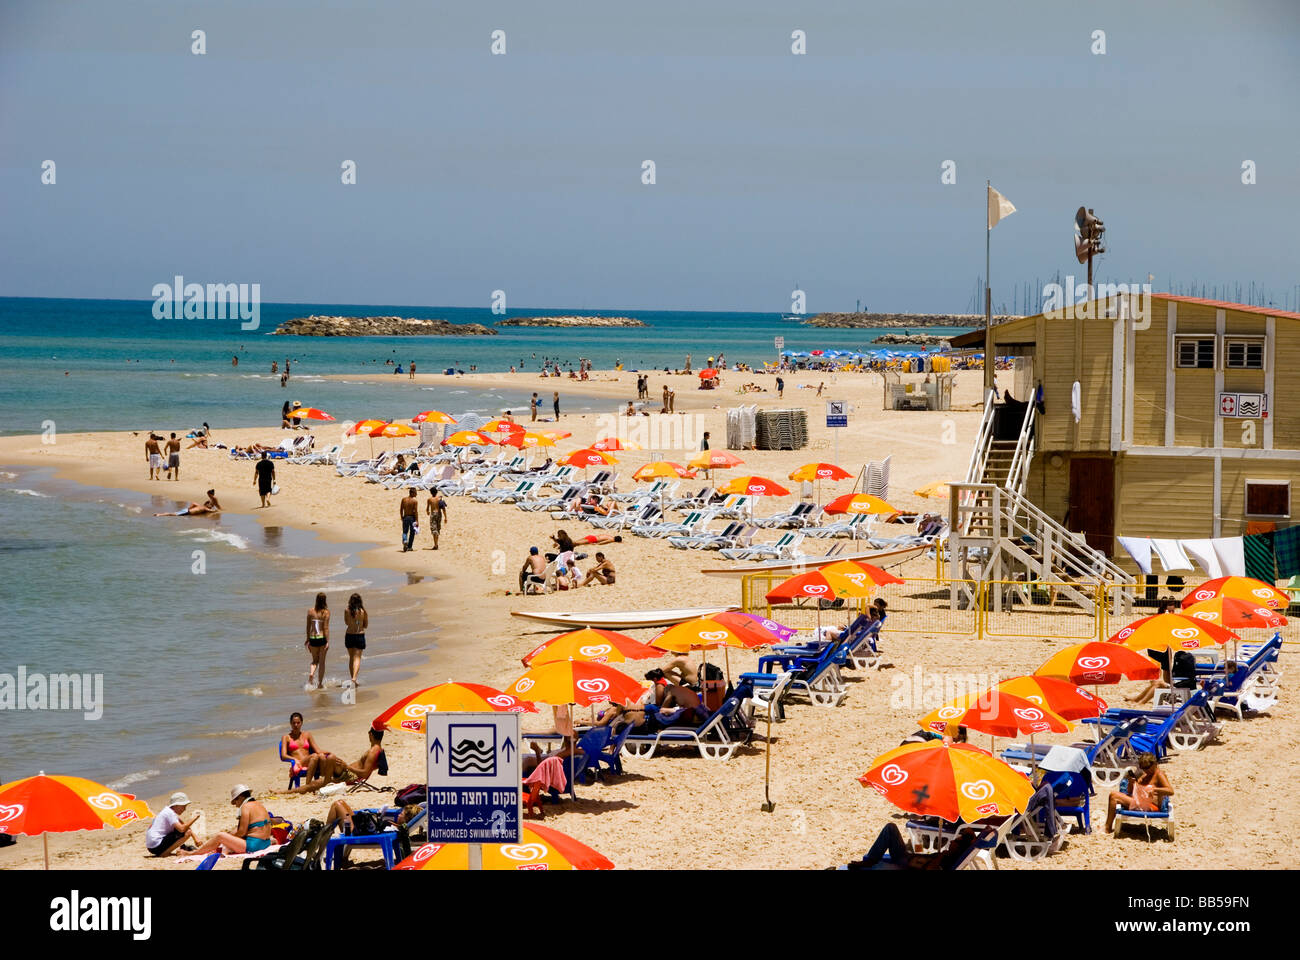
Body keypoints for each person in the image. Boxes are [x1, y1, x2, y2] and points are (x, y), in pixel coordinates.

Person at [292, 726, 386, 793]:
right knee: (314, 782)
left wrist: (347, 766)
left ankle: (325, 783)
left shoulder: (373, 751)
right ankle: (285, 791)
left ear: (371, 735)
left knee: (330, 758)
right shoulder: (378, 749)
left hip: (350, 776)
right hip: (346, 774)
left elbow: (365, 773)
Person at [188, 785, 274, 856]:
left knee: (220, 836)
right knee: (230, 834)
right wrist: (230, 837)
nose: (235, 805)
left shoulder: (245, 807)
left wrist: (225, 842)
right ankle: (213, 847)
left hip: (254, 846)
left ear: (239, 798)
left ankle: (194, 853)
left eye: (235, 802)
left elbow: (242, 832)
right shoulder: (258, 804)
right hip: (265, 843)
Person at [1105, 752, 1173, 833]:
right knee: (1114, 795)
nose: (1145, 770)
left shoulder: (1159, 774)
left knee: (1114, 796)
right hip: (1140, 803)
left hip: (1151, 807)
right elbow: (1130, 791)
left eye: (1147, 767)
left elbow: (1170, 791)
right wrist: (1131, 783)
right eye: (1143, 768)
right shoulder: (1145, 775)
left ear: (1154, 764)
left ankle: (1107, 828)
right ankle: (1108, 827)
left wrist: (1155, 790)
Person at [145, 791, 199, 856]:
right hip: (156, 845)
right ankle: (165, 853)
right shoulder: (170, 813)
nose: (185, 809)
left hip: (151, 846)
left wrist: (196, 838)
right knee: (186, 832)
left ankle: (176, 848)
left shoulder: (167, 811)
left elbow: (183, 824)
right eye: (183, 806)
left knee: (182, 830)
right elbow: (182, 829)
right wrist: (194, 818)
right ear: (176, 805)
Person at [281, 712, 321, 779]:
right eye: (293, 723)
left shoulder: (307, 735)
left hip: (310, 762)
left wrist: (328, 753)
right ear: (290, 723)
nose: (296, 725)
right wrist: (294, 759)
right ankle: (309, 785)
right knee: (314, 756)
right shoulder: (286, 737)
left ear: (301, 723)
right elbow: (283, 755)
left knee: (323, 757)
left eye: (298, 723)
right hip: (299, 763)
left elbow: (317, 750)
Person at [305, 592, 330, 690]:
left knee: (315, 660)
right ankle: (320, 684)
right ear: (325, 600)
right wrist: (327, 641)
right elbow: (326, 628)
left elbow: (308, 627)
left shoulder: (310, 611)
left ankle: (311, 673)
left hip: (313, 638)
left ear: (316, 599)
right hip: (322, 638)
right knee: (322, 662)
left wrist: (307, 639)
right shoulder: (326, 612)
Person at [344, 594, 368, 686]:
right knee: (357, 658)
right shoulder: (363, 611)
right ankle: (354, 678)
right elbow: (365, 625)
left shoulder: (346, 610)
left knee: (351, 658)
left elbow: (346, 622)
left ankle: (353, 679)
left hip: (349, 635)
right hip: (359, 635)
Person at [154, 489, 221, 516]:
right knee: (173, 514)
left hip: (187, 510)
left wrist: (189, 508)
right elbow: (211, 510)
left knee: (174, 514)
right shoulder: (204, 508)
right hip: (187, 511)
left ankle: (160, 514)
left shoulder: (201, 506)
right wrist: (215, 510)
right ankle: (160, 514)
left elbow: (194, 503)